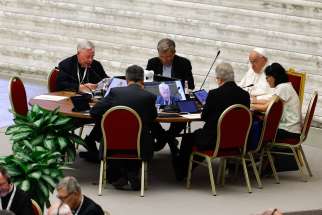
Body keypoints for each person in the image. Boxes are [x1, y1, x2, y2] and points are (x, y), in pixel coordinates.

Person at [176, 62, 250, 180]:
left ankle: (181, 173)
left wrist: (207, 106)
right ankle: (189, 167)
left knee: (188, 138)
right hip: (236, 140)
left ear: (219, 79)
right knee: (198, 136)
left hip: (214, 140)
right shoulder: (245, 95)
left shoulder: (214, 94)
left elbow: (204, 117)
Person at [89, 65, 158, 190]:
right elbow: (152, 118)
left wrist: (108, 122)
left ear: (126, 79)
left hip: (112, 142)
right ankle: (130, 173)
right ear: (143, 80)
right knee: (140, 135)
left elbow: (94, 112)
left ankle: (122, 175)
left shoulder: (115, 92)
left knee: (121, 137)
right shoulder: (149, 97)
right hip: (139, 144)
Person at [146, 38, 195, 152]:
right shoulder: (152, 62)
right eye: (162, 57)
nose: (165, 60)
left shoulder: (184, 63)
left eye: (168, 57)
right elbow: (147, 83)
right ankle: (170, 140)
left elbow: (190, 84)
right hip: (157, 99)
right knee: (147, 115)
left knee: (184, 118)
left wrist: (177, 88)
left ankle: (165, 138)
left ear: (174, 53)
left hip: (177, 99)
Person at [251, 62, 301, 172]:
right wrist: (254, 102)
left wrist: (251, 105)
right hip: (290, 127)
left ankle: (251, 158)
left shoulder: (283, 88)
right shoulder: (286, 86)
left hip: (288, 130)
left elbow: (266, 107)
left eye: (267, 77)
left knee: (256, 129)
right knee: (259, 122)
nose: (267, 80)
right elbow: (269, 102)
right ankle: (257, 160)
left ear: (274, 77)